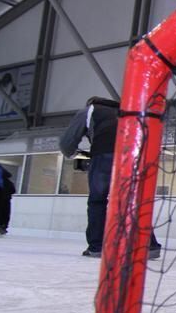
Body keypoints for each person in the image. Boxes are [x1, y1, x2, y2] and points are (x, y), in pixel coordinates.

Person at [59, 97, 161, 260]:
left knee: (97, 201)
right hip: (133, 157)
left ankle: (97, 247)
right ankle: (149, 246)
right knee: (132, 202)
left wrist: (75, 154)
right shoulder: (126, 111)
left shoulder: (90, 110)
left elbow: (66, 143)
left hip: (104, 155)